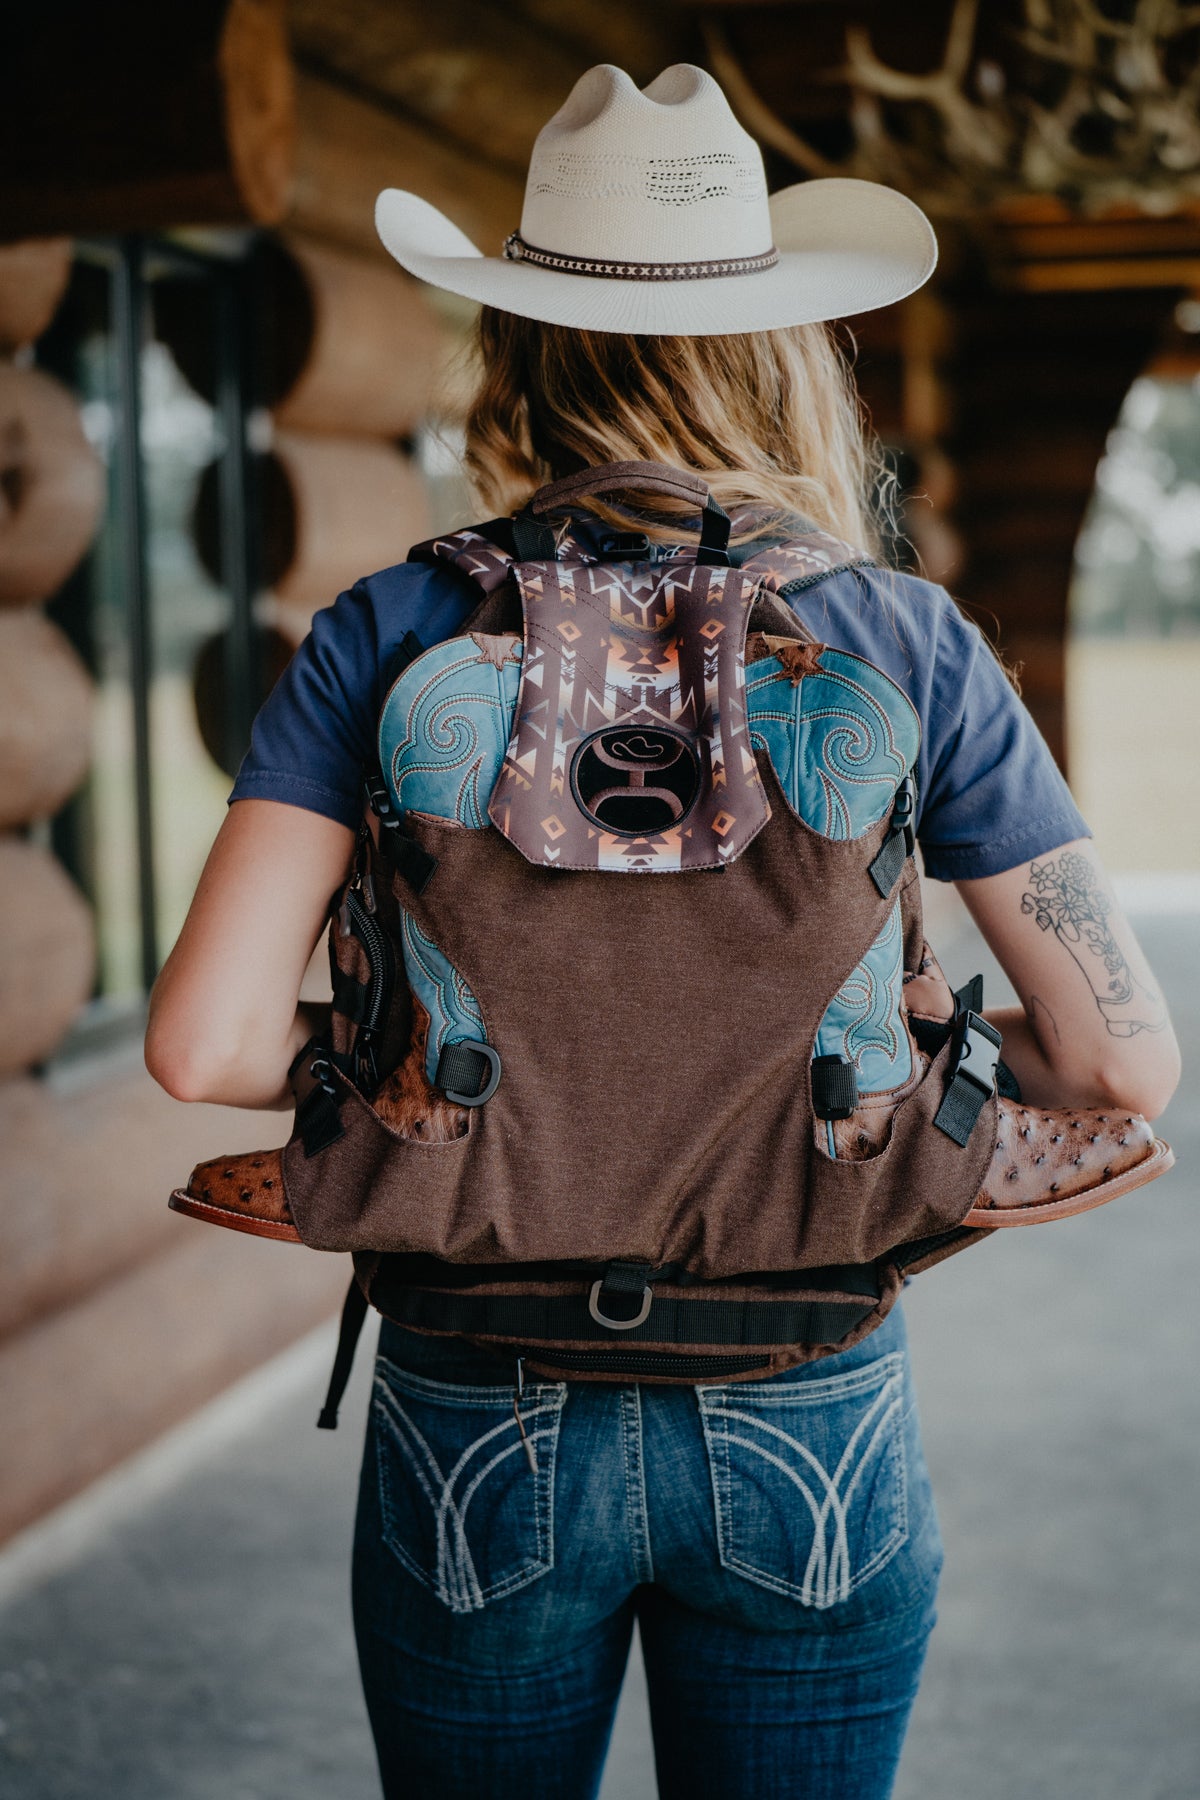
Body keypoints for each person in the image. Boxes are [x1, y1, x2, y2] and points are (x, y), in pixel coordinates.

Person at [145, 63, 1180, 1800]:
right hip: (808, 1395)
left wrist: (424, 1059)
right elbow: (1122, 1062)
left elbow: (198, 1050)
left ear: (525, 344)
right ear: (779, 347)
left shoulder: (394, 625)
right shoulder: (904, 639)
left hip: (477, 1396)